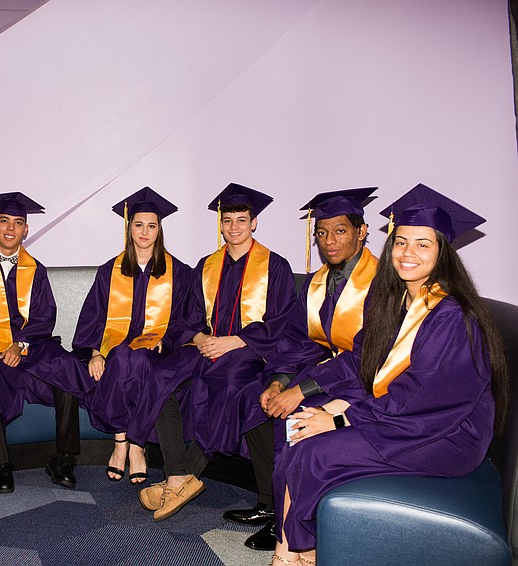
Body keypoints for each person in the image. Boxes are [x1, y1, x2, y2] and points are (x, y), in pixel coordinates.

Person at [271, 184, 508, 565]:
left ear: (442, 253)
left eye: (422, 244)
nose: (407, 253)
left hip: (444, 434)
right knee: (298, 431)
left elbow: (421, 398)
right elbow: (362, 360)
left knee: (315, 451)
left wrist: (339, 417)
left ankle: (292, 554)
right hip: (398, 415)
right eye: (400, 243)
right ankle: (298, 550)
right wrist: (321, 397)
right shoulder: (396, 301)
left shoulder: (451, 317)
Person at [130, 183, 297, 521]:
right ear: (220, 224)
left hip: (248, 351)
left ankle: (185, 477)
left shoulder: (275, 266)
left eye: (241, 219)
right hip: (206, 347)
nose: (234, 227)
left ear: (254, 223)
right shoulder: (206, 265)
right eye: (228, 220)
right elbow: (185, 318)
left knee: (229, 385)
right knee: (162, 376)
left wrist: (235, 341)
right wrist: (198, 336)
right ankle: (177, 474)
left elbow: (283, 322)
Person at [224, 187, 379, 550]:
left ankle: (294, 525)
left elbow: (367, 355)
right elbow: (296, 339)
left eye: (340, 231)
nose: (329, 241)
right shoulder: (316, 282)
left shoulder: (383, 283)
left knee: (296, 416)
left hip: (364, 380)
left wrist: (299, 390)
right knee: (254, 399)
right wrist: (278, 381)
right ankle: (271, 503)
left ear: (362, 231)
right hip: (328, 371)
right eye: (322, 233)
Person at [0, 192, 91, 492]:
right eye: (4, 221)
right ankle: (2, 463)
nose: (10, 229)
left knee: (64, 364)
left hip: (27, 347)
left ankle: (64, 457)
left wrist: (20, 344)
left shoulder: (34, 269)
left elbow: (44, 316)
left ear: (26, 230)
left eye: (18, 223)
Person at [73, 187, 191, 485]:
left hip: (157, 349)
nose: (144, 232)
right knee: (124, 356)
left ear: (159, 229)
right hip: (116, 347)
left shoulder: (178, 272)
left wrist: (168, 337)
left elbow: (186, 317)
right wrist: (95, 353)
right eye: (138, 224)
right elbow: (93, 316)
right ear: (129, 228)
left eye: (151, 225)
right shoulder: (108, 271)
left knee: (136, 358)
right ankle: (126, 441)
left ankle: (130, 444)